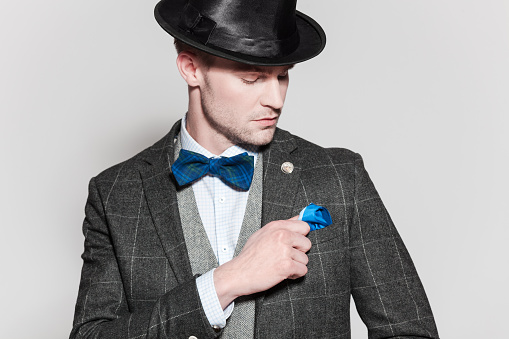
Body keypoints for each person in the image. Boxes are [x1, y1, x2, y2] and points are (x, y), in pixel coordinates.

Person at [70, 0, 439, 338]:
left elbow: (410, 331)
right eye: (252, 78)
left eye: (282, 75)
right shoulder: (116, 193)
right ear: (191, 68)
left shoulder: (340, 177)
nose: (276, 99)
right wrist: (224, 282)